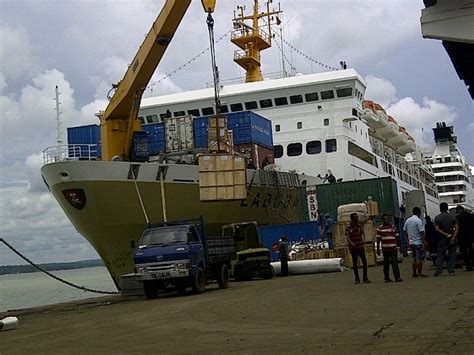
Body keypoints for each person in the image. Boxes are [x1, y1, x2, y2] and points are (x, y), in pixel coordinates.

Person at [434, 202, 458, 276]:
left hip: (442, 239)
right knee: (452, 255)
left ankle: (439, 272)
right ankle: (451, 271)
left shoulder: (437, 217)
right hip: (452, 238)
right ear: (447, 208)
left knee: (441, 255)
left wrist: (445, 234)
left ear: (440, 208)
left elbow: (437, 229)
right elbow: (457, 228)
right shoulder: (452, 217)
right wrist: (453, 237)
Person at [376, 214, 402, 282]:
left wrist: (400, 247)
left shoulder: (393, 228)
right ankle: (387, 278)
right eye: (384, 219)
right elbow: (378, 239)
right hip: (385, 249)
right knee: (386, 264)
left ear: (389, 220)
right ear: (382, 220)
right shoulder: (380, 228)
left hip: (393, 248)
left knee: (395, 263)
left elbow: (397, 238)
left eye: (387, 219)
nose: (386, 220)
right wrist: (378, 249)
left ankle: (397, 277)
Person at [345, 213, 370, 284]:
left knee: (364, 262)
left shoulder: (359, 226)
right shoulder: (348, 227)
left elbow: (361, 234)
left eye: (357, 218)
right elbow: (347, 236)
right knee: (355, 263)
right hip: (353, 247)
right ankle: (357, 278)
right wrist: (351, 243)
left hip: (360, 246)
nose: (356, 219)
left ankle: (365, 278)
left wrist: (363, 241)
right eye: (355, 218)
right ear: (352, 219)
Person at [403, 207, 427, 278]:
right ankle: (419, 273)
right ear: (419, 213)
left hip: (411, 242)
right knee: (419, 258)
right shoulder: (418, 221)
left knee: (414, 258)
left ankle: (414, 273)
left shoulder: (407, 220)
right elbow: (421, 232)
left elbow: (404, 230)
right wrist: (423, 243)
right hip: (418, 242)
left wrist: (408, 238)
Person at [455, 205, 474, 271]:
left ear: (459, 210)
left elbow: (457, 228)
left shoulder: (457, 217)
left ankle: (468, 266)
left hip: (462, 238)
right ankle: (473, 264)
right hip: (471, 237)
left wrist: (456, 237)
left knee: (464, 252)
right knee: (471, 251)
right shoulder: (471, 216)